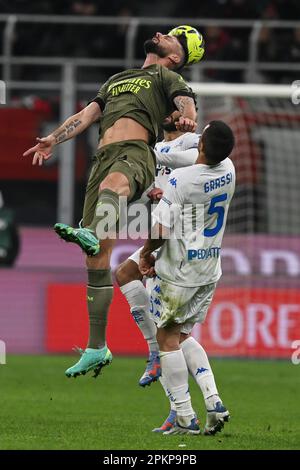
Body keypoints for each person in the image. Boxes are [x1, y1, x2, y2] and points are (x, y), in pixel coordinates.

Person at [23, 27, 204, 378]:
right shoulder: (117, 79)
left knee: (113, 186)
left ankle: (89, 230)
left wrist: (188, 117)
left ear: (176, 57)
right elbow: (86, 116)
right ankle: (96, 347)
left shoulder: (166, 76)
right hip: (101, 158)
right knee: (96, 258)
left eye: (168, 36)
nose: (159, 33)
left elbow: (186, 102)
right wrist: (53, 140)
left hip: (135, 154)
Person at [139, 121, 235, 435]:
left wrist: (145, 254)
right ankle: (214, 401)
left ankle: (183, 417)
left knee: (166, 339)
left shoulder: (181, 180)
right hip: (209, 270)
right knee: (181, 336)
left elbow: (160, 231)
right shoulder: (230, 169)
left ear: (202, 145)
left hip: (180, 272)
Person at [116, 110, 199, 386]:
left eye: (173, 108)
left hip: (180, 239)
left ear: (185, 113)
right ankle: (154, 354)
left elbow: (199, 169)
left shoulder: (191, 142)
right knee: (125, 274)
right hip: (161, 233)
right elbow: (147, 186)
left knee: (172, 335)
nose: (165, 112)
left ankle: (193, 406)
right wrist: (149, 190)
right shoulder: (155, 147)